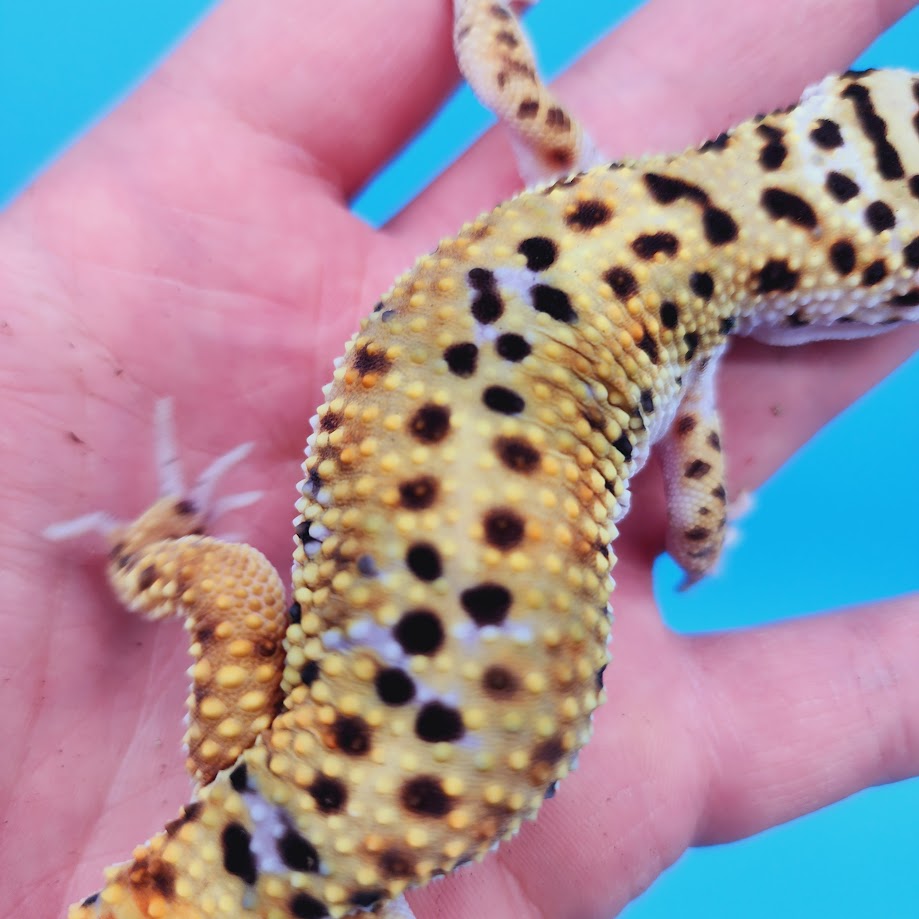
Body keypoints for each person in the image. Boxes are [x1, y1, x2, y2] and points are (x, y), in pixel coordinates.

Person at [2, 1, 918, 916]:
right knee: (237, 605)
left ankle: (141, 558)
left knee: (232, 590)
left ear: (818, 110)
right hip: (427, 788)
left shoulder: (577, 174)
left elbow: (486, 42)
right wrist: (712, 537)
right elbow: (696, 530)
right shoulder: (691, 394)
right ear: (840, 305)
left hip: (430, 778)